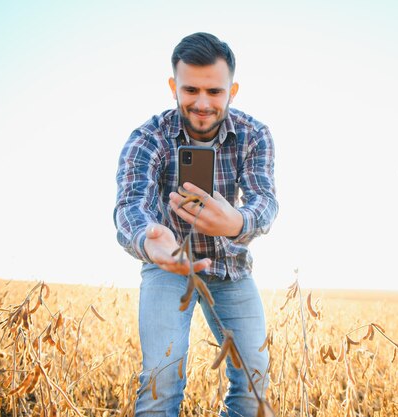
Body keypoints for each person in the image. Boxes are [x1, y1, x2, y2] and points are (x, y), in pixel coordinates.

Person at [113, 32, 278, 417]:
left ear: (232, 90)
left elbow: (265, 201)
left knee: (255, 386)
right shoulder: (147, 138)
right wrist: (148, 241)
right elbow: (129, 205)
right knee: (161, 382)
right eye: (190, 90)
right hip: (167, 267)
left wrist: (237, 221)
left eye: (215, 92)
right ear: (173, 86)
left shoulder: (255, 135)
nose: (202, 104)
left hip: (231, 267)